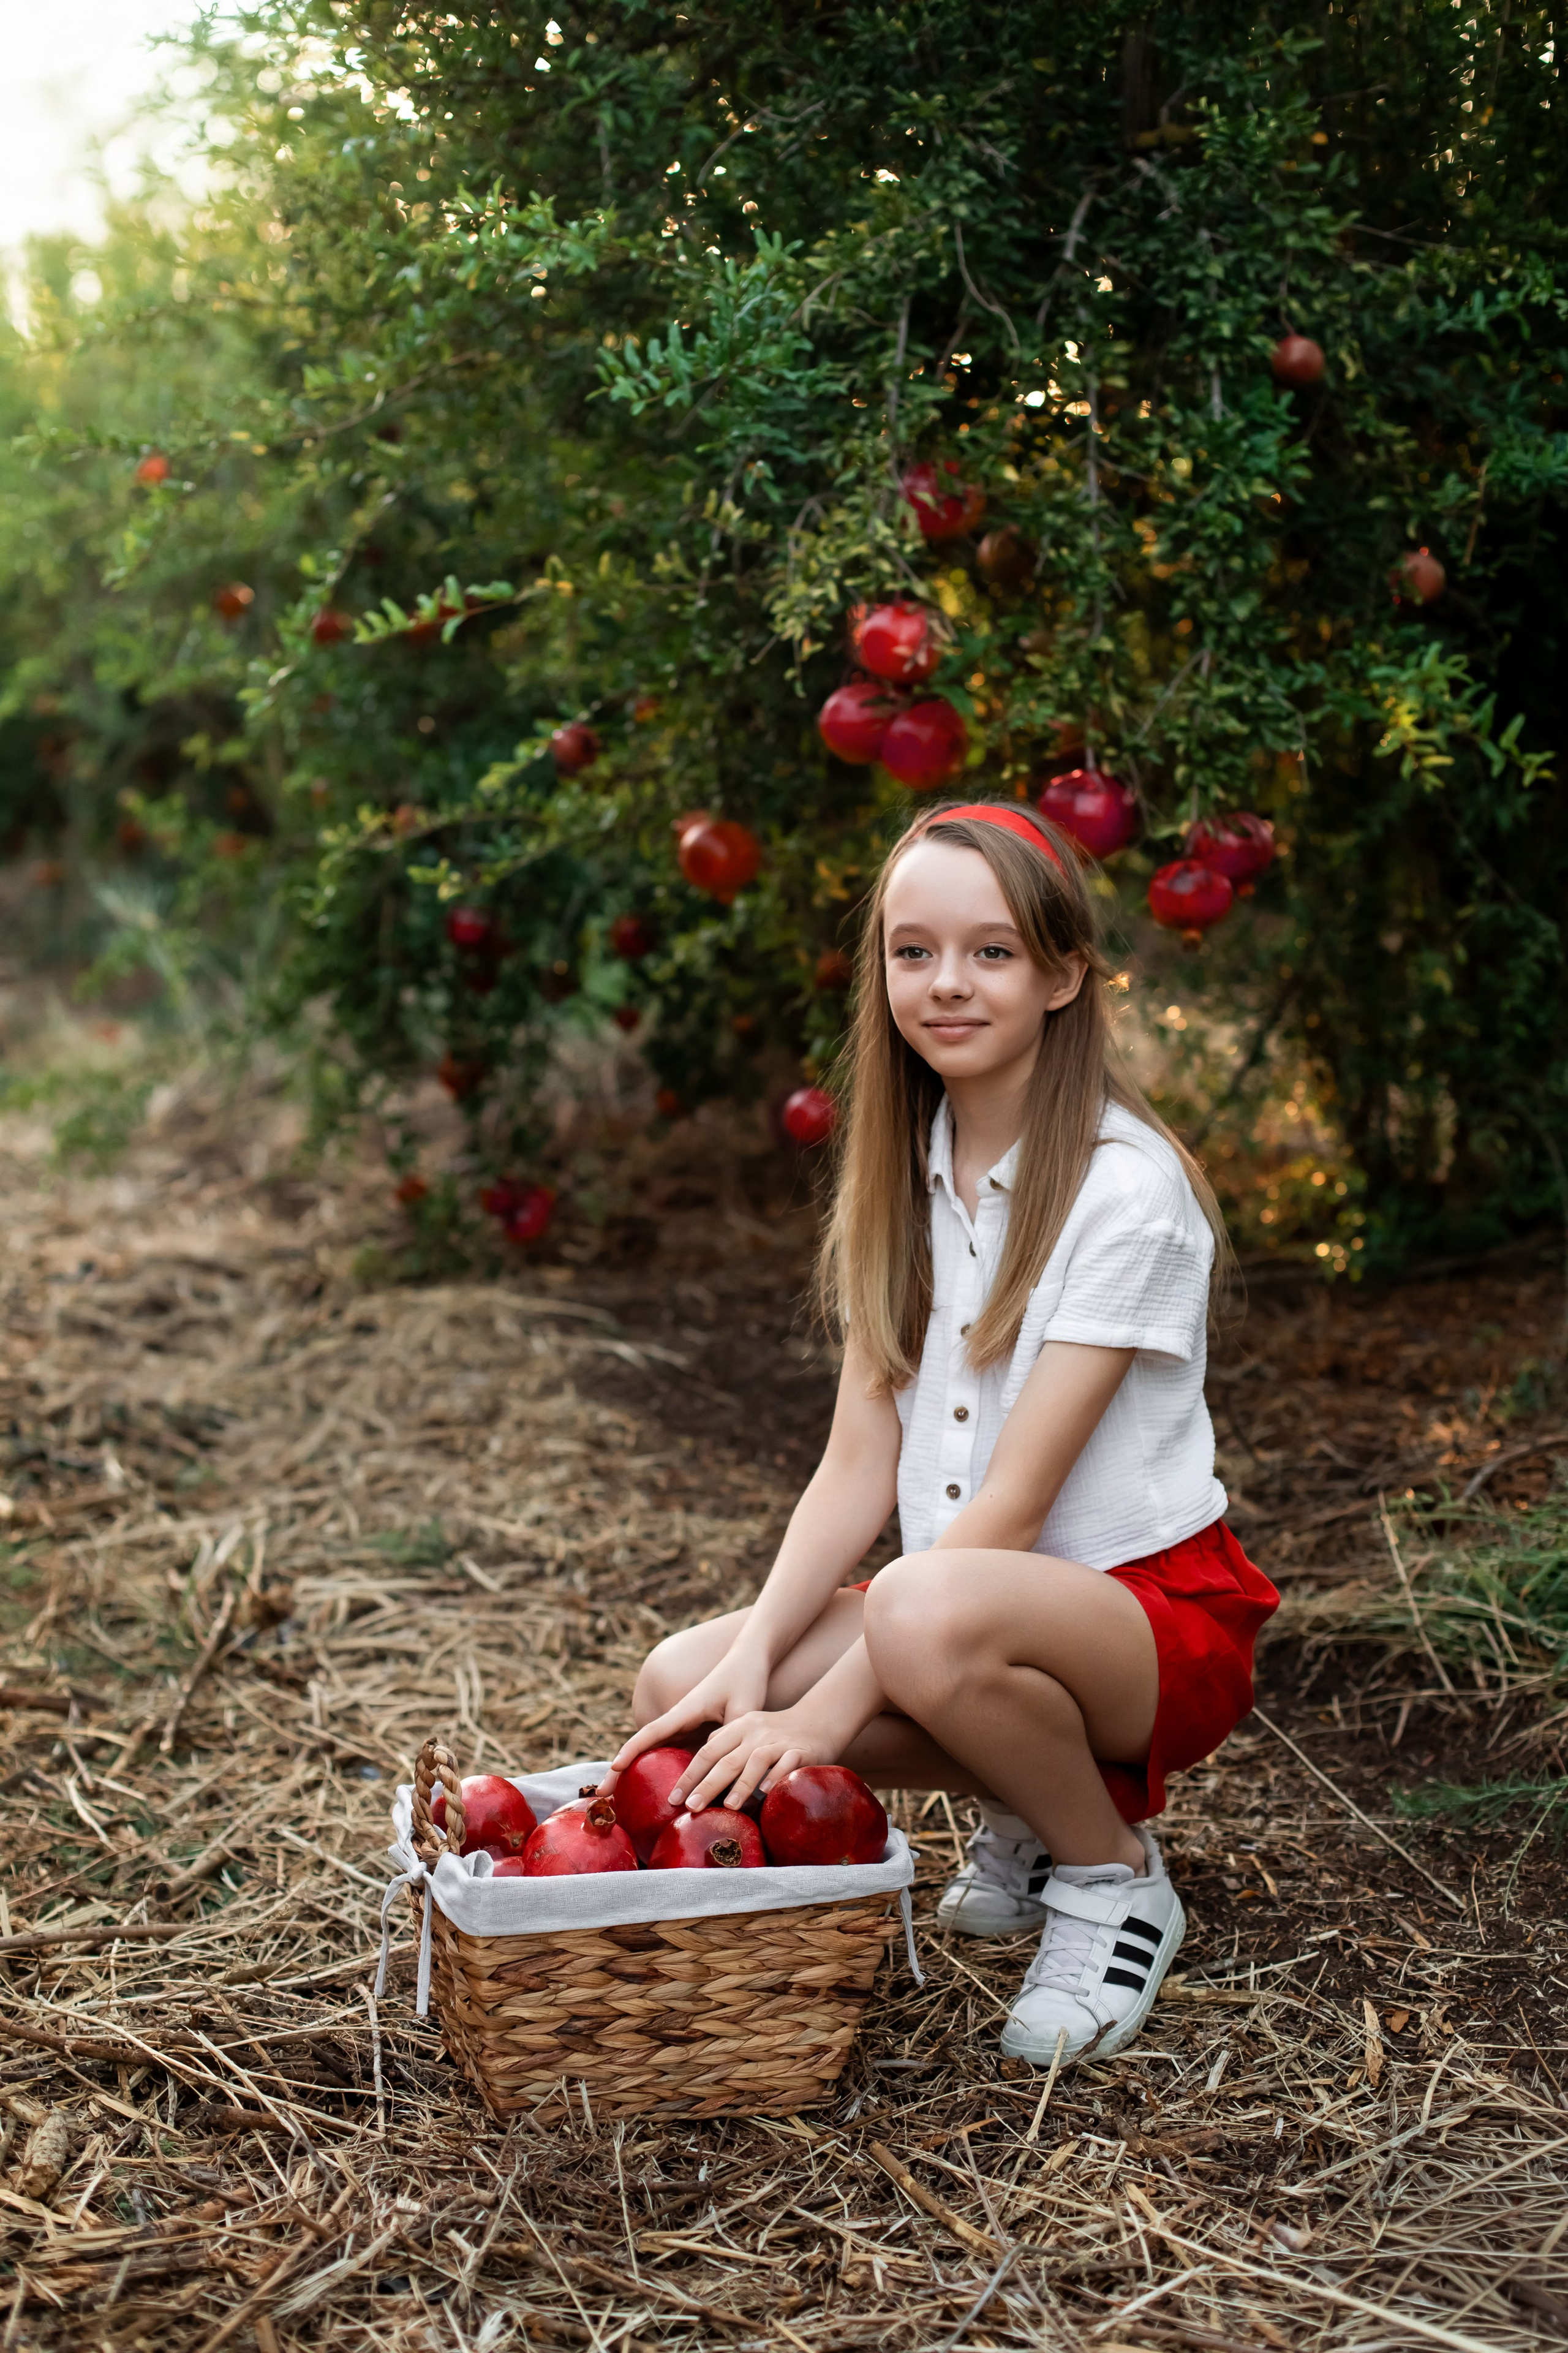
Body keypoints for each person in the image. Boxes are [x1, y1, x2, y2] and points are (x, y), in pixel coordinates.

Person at [610, 800, 1276, 2066]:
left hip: (1152, 1619)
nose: (947, 982)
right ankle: (1025, 1802)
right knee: (676, 1683)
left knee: (914, 1607)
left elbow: (1012, 1510)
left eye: (991, 951)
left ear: (1063, 974)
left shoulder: (1125, 1191)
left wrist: (819, 1720)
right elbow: (854, 1464)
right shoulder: (904, 1171)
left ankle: (1109, 1872)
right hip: (967, 1603)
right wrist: (754, 1661)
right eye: (912, 951)